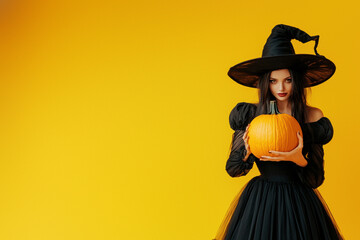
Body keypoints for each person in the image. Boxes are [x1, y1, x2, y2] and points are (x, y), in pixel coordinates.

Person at [213, 24, 344, 240]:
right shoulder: (250, 114)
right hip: (260, 203)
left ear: (297, 81)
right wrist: (246, 151)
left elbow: (316, 178)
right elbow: (233, 169)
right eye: (274, 81)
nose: (281, 88)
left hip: (299, 203)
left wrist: (298, 158)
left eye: (288, 80)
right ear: (266, 83)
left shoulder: (313, 116)